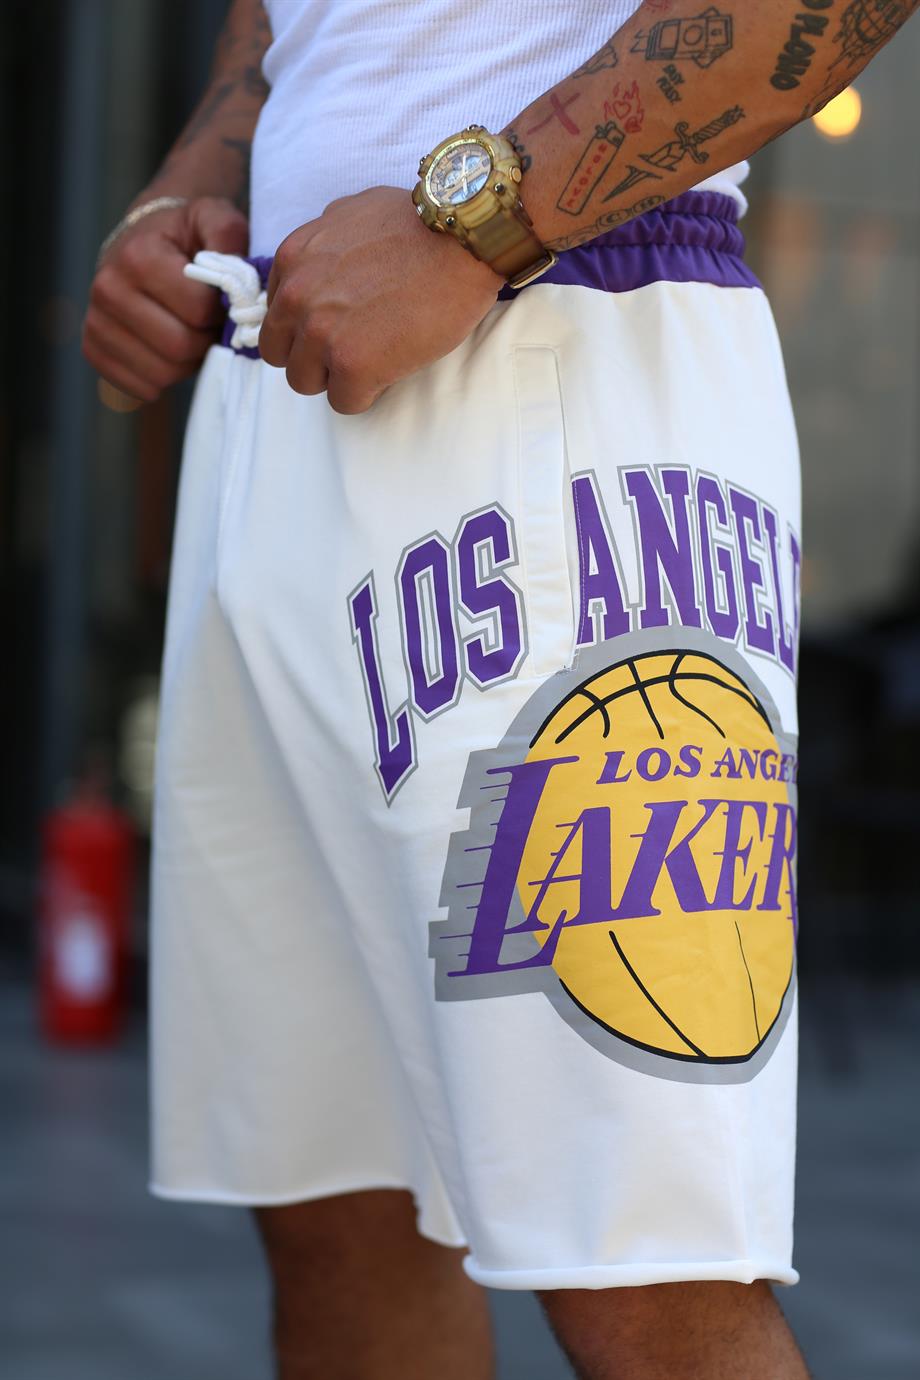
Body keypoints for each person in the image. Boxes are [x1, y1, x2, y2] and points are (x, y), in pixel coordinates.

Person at [83, 3, 917, 1377]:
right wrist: (198, 186)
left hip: (560, 334)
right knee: (335, 1206)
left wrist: (479, 220)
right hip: (285, 370)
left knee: (641, 1271)